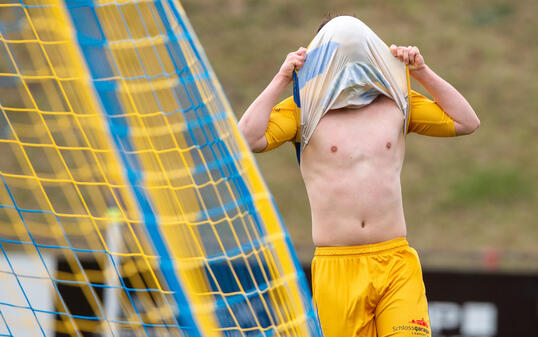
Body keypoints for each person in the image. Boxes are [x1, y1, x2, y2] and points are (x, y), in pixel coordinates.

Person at [238, 15, 479, 337]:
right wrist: (282, 77)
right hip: (337, 266)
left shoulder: (397, 103)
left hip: (395, 260)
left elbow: (466, 122)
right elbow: (246, 139)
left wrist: (421, 71)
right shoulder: (303, 112)